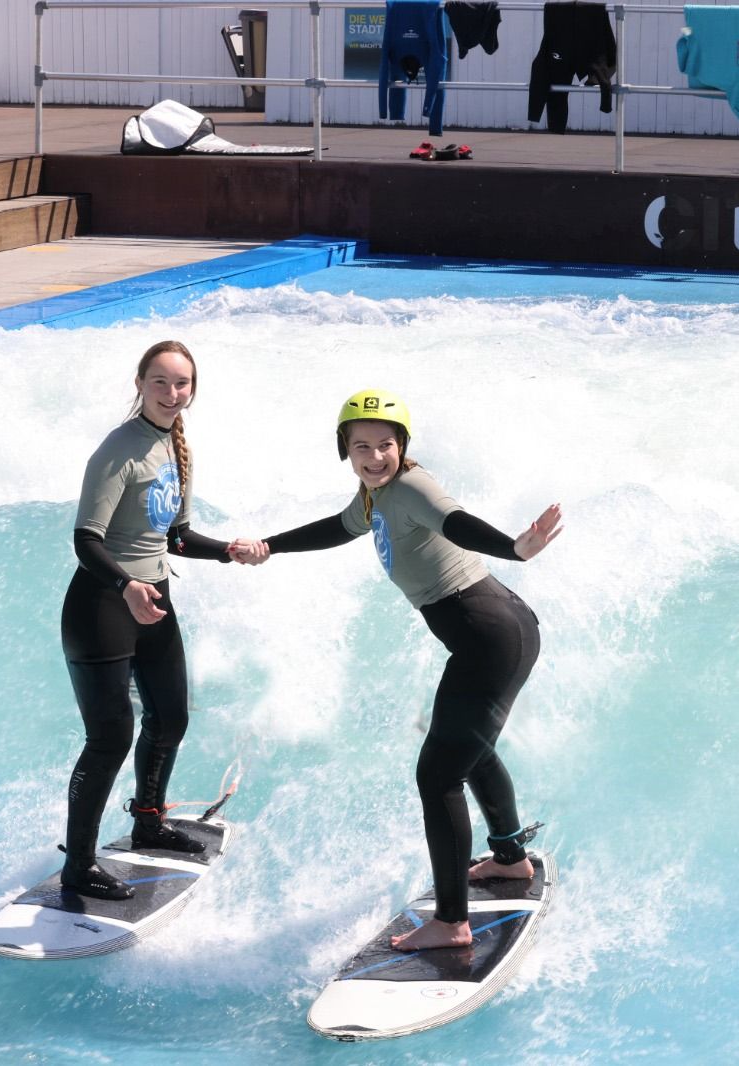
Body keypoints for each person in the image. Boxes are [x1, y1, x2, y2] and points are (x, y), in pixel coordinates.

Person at [236, 389, 562, 950]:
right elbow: (339, 528)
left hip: (490, 637)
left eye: (385, 445)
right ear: (345, 450)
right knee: (467, 748)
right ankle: (510, 858)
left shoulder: (411, 487)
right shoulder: (373, 495)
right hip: (493, 632)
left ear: (402, 446)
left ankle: (452, 923)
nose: (374, 456)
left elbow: (455, 521)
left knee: (438, 776)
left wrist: (515, 547)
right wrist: (270, 545)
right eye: (361, 446)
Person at [58, 340, 258, 900]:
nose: (172, 393)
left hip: (153, 599)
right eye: (160, 382)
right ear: (140, 384)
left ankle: (148, 820)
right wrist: (126, 586)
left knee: (170, 718)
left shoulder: (176, 446)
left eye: (182, 383)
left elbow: (176, 537)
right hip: (102, 605)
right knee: (109, 739)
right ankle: (79, 865)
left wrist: (227, 551)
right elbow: (86, 541)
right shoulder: (118, 450)